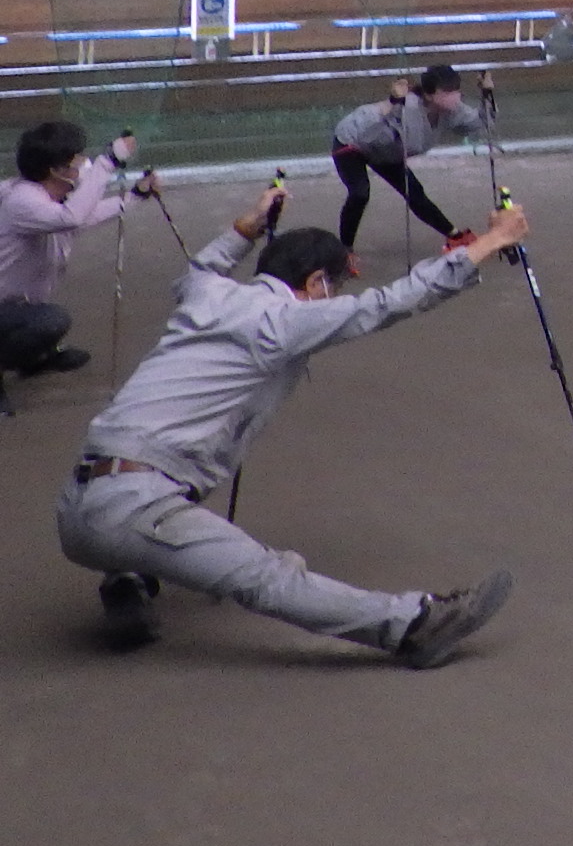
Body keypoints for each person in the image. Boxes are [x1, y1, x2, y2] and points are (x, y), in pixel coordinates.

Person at [57, 185, 529, 664]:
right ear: (317, 281)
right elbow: (389, 303)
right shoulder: (281, 321)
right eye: (334, 287)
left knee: (173, 492)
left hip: (80, 502)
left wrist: (246, 227)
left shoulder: (208, 293)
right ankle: (413, 626)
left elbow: (200, 268)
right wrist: (490, 242)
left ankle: (127, 576)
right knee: (267, 575)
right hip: (132, 505)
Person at [1, 123, 155, 392]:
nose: (84, 162)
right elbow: (71, 218)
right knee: (50, 321)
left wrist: (135, 196)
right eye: (77, 159)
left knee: (42, 319)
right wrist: (108, 162)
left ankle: (34, 359)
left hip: (17, 302)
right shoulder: (23, 201)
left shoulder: (47, 198)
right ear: (55, 170)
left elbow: (81, 217)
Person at [330, 65, 493, 253]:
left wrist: (486, 93)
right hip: (353, 141)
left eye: (456, 90)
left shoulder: (452, 110)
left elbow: (481, 123)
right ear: (429, 95)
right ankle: (344, 250)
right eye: (447, 92)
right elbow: (371, 137)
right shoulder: (407, 108)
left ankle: (455, 236)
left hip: (387, 151)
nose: (455, 97)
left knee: (415, 193)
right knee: (360, 193)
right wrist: (393, 104)